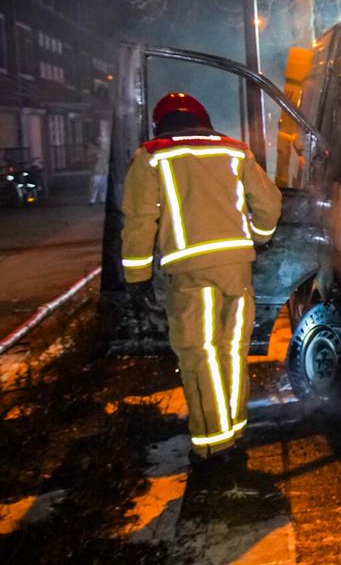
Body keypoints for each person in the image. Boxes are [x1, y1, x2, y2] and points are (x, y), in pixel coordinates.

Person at [120, 92, 281, 465]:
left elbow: (140, 222)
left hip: (190, 274)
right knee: (231, 351)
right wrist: (256, 236)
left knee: (199, 354)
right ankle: (234, 430)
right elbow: (270, 205)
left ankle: (213, 447)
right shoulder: (236, 152)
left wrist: (137, 277)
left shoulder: (151, 157)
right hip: (237, 268)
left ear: (161, 123)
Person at [87, 133, 109, 205]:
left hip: (103, 169)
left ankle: (102, 199)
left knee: (103, 186)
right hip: (96, 170)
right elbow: (89, 158)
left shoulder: (103, 148)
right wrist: (95, 157)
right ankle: (92, 200)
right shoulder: (92, 148)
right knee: (95, 186)